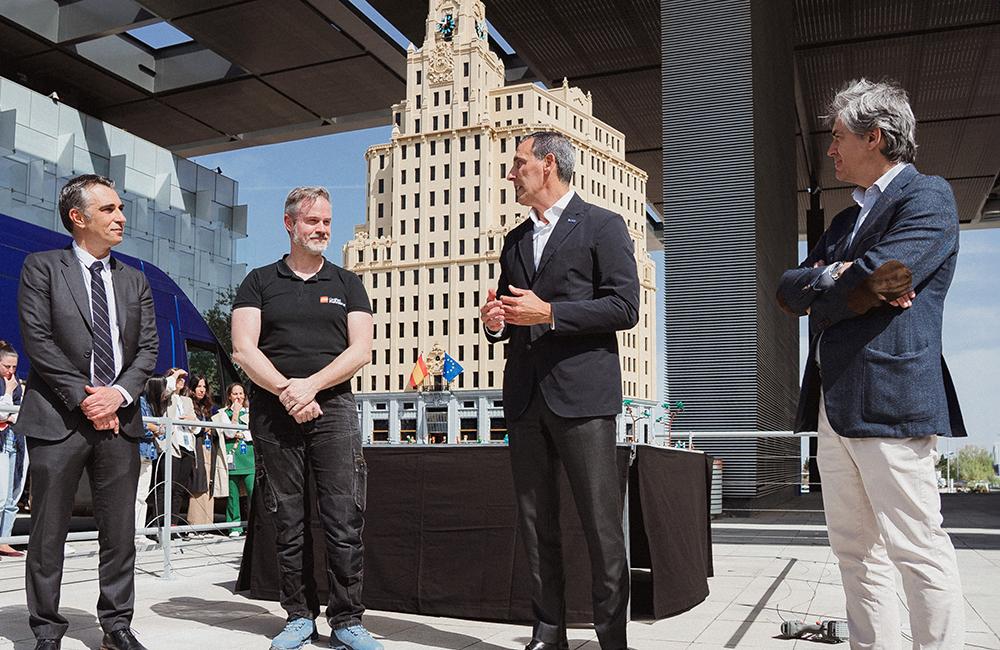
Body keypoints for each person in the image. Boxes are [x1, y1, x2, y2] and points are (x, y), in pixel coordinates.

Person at [777, 79, 966, 649]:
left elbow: (884, 278)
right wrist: (842, 275)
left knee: (916, 547)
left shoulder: (927, 197)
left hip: (891, 400)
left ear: (875, 137)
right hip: (835, 408)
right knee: (855, 551)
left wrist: (845, 279)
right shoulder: (841, 223)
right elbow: (788, 290)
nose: (830, 151)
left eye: (837, 139)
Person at [480, 132, 639, 650]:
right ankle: (549, 634)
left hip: (584, 399)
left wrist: (550, 313)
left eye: (518, 163)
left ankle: (612, 637)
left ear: (548, 165)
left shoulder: (603, 226)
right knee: (535, 523)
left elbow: (624, 308)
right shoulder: (513, 241)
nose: (511, 173)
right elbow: (510, 311)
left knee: (601, 527)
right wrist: (495, 323)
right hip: (525, 398)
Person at [232, 186, 381, 650]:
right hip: (274, 411)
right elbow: (243, 348)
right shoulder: (258, 281)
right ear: (289, 224)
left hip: (333, 408)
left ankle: (347, 620)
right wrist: (286, 391)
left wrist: (311, 387)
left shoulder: (346, 283)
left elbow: (361, 349)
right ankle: (298, 615)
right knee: (286, 517)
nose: (322, 230)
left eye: (327, 222)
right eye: (313, 221)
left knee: (343, 516)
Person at [16, 174, 157, 650]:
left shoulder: (135, 278)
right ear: (78, 218)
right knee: (48, 531)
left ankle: (117, 626)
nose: (121, 218)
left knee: (120, 533)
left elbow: (148, 350)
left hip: (120, 420)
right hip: (57, 418)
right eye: (110, 210)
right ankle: (47, 631)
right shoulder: (42, 268)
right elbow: (38, 340)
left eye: (121, 209)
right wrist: (85, 398)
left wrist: (117, 396)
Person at [212, 382, 251, 537]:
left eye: (241, 393)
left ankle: (255, 524)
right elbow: (228, 433)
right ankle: (234, 526)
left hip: (249, 456)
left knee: (253, 491)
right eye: (235, 394)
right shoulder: (222, 414)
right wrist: (235, 415)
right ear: (229, 396)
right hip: (231, 457)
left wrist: (241, 433)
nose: (238, 397)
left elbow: (252, 434)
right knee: (232, 494)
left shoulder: (250, 412)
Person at [186, 374, 224, 532]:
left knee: (209, 483)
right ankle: (195, 525)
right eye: (198, 386)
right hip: (197, 447)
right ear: (192, 388)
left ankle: (207, 524)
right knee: (198, 483)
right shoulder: (189, 404)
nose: (202, 390)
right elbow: (192, 427)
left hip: (209, 448)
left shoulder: (207, 408)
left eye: (204, 387)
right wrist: (204, 428)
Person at [0, 341, 27, 557]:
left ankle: (5, 538)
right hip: (2, 440)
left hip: (13, 440)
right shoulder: (9, 385)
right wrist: (8, 391)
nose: (10, 371)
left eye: (14, 367)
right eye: (6, 366)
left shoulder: (16, 384)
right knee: (1, 495)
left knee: (12, 494)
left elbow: (17, 413)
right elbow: (3, 413)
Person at [134, 375, 167, 548]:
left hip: (148, 453)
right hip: (139, 452)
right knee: (136, 495)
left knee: (142, 496)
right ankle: (135, 533)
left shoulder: (151, 405)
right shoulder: (140, 403)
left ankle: (139, 532)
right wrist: (154, 428)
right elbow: (140, 427)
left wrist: (154, 428)